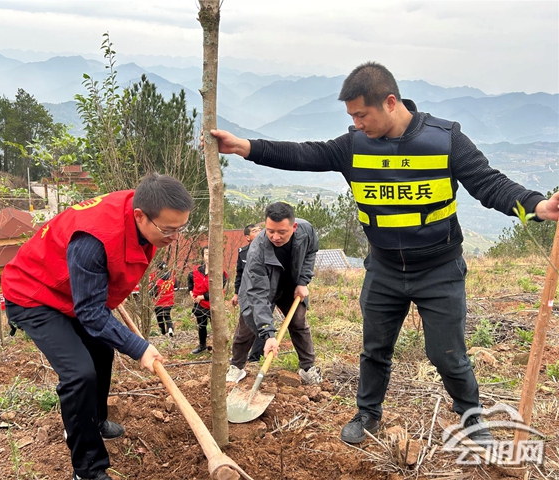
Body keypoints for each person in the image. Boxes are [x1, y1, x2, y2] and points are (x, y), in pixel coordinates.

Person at [207, 61, 559, 445]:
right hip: (384, 270)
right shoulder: (354, 146)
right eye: (351, 116)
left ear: (390, 102)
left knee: (448, 354)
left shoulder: (445, 140)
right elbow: (305, 154)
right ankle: (368, 413)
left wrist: (537, 206)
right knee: (374, 349)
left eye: (362, 114)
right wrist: (245, 147)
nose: (356, 123)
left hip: (440, 269)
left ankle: (472, 418)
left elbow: (489, 184)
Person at [2, 173, 193, 480]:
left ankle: (95, 420)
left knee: (102, 350)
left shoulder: (143, 205)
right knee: (79, 374)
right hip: (34, 294)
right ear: (140, 216)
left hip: (69, 291)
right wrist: (139, 348)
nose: (175, 237)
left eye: (181, 228)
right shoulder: (94, 240)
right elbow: (91, 314)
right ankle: (87, 470)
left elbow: (95, 298)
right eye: (168, 230)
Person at [226, 202, 322, 385]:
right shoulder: (257, 251)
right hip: (260, 288)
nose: (275, 237)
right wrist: (269, 334)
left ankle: (307, 368)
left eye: (281, 232)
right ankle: (236, 366)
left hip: (290, 286)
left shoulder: (306, 231)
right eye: (270, 231)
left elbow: (311, 252)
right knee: (247, 326)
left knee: (299, 322)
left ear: (294, 227)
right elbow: (258, 295)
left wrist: (303, 281)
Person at [230, 223, 265, 365]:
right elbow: (239, 274)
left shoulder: (268, 249)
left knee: (263, 323)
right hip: (247, 294)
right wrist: (236, 294)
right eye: (255, 231)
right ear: (247, 237)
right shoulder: (243, 253)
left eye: (260, 230)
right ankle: (238, 358)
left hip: (263, 293)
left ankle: (255, 356)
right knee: (246, 325)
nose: (259, 232)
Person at [187, 246, 228, 355]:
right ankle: (202, 345)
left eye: (210, 254)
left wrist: (203, 297)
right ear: (203, 256)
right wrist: (191, 292)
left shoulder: (220, 272)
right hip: (200, 305)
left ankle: (219, 348)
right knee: (201, 326)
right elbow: (190, 281)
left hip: (214, 305)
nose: (208, 256)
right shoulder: (196, 271)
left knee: (216, 327)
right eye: (206, 254)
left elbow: (219, 290)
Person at [149, 262, 177, 336]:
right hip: (169, 301)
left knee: (160, 318)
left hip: (159, 303)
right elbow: (176, 288)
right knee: (167, 316)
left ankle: (163, 332)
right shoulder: (172, 278)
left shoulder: (157, 280)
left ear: (159, 269)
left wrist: (150, 293)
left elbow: (153, 293)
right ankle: (170, 329)